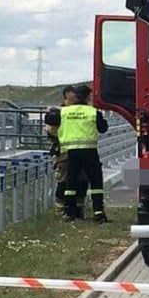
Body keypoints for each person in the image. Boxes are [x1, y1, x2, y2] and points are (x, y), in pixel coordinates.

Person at [45, 84, 109, 222]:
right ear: (87, 97)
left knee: (71, 181)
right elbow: (103, 128)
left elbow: (49, 120)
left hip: (71, 152)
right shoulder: (92, 111)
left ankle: (70, 212)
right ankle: (98, 213)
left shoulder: (63, 112)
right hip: (89, 151)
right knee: (95, 181)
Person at [46, 86, 89, 218]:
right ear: (65, 97)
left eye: (75, 97)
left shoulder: (79, 112)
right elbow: (51, 132)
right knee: (64, 182)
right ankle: (61, 210)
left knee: (82, 181)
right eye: (71, 97)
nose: (73, 99)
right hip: (64, 154)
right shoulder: (59, 113)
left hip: (80, 152)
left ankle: (78, 209)